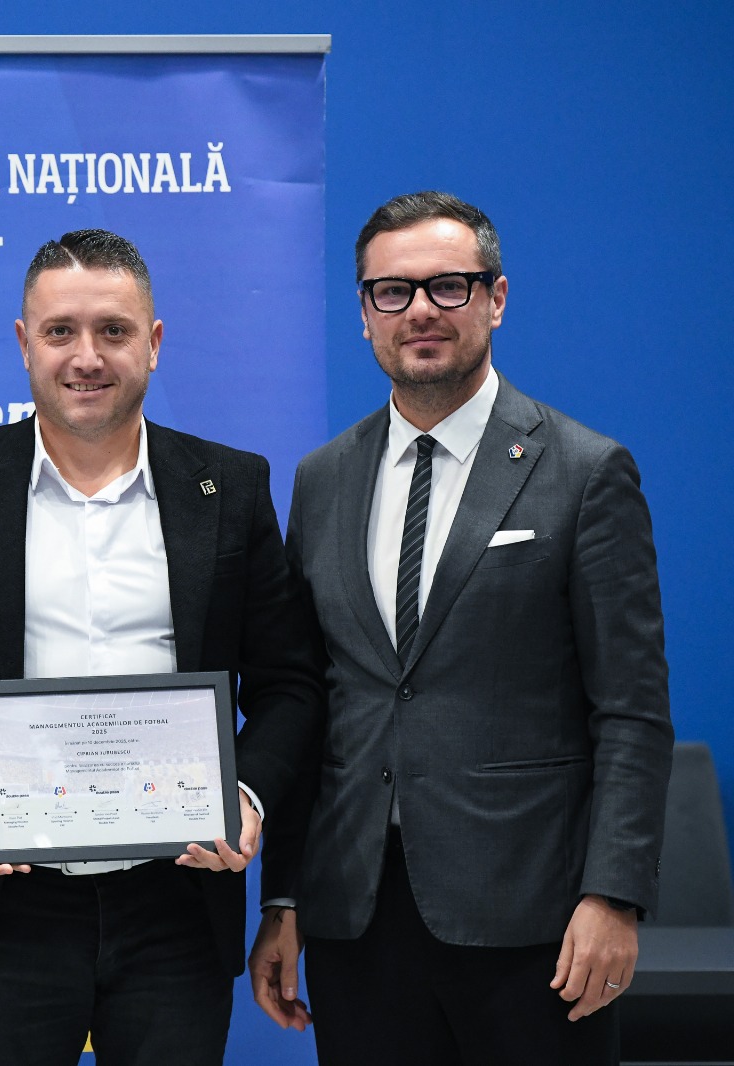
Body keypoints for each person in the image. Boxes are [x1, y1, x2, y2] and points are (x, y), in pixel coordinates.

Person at [0, 229, 322, 1065]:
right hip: (3, 911)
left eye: (113, 331)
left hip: (177, 905)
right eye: (60, 331)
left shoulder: (229, 488)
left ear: (154, 343)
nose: (87, 357)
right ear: (24, 344)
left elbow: (291, 685)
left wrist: (243, 793)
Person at [249, 191, 673, 1065]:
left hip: (536, 923)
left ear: (496, 298)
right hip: (357, 919)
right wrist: (283, 897)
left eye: (449, 286)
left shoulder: (585, 471)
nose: (420, 312)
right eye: (392, 292)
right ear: (365, 313)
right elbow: (311, 700)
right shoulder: (321, 479)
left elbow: (631, 711)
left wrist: (614, 896)